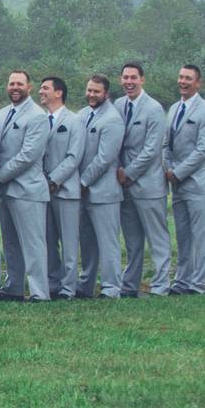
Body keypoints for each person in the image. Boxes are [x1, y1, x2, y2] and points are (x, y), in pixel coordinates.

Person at [0, 70, 51, 302]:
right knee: (10, 243)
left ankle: (39, 291)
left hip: (28, 190)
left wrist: (0, 174)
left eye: (19, 84)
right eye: (11, 83)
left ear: (29, 87)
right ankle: (14, 286)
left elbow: (29, 155)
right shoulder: (2, 113)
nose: (14, 87)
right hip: (6, 190)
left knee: (33, 243)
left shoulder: (38, 116)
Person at [115, 63, 171, 297]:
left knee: (157, 238)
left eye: (133, 78)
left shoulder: (154, 108)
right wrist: (118, 169)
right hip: (123, 184)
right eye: (125, 77)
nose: (129, 82)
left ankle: (160, 285)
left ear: (142, 80)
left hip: (148, 184)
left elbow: (152, 149)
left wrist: (129, 173)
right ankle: (130, 285)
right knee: (132, 240)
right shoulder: (118, 105)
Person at [76, 75, 124, 299]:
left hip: (103, 192)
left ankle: (111, 287)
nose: (91, 95)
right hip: (82, 192)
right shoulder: (83, 115)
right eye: (89, 90)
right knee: (87, 242)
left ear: (106, 94)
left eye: (96, 91)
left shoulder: (112, 119)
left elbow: (105, 158)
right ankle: (86, 284)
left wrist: (83, 181)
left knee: (107, 242)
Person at [164, 65, 205, 295]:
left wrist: (178, 171)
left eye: (188, 79)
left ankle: (199, 283)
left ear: (198, 83)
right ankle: (182, 281)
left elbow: (202, 150)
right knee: (182, 236)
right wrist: (168, 167)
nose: (183, 81)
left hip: (198, 184)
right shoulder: (173, 109)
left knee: (201, 236)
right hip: (177, 185)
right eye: (181, 77)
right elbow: (166, 144)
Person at [39, 77, 85, 301]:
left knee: (68, 242)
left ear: (59, 93)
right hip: (42, 191)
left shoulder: (74, 121)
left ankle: (69, 287)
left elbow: (73, 157)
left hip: (65, 190)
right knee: (47, 240)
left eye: (45, 88)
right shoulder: (41, 120)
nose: (41, 91)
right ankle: (52, 283)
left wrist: (53, 180)